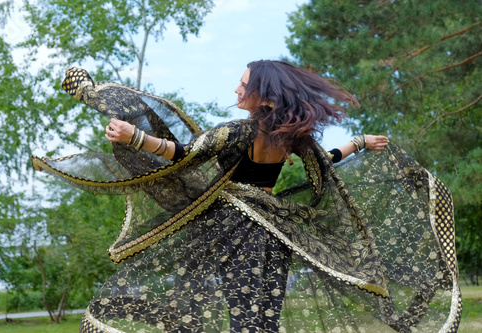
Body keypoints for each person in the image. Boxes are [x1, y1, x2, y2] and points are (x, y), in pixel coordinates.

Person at [32, 61, 461, 333]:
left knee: (241, 312)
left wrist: (137, 136)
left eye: (243, 86)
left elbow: (184, 154)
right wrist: (360, 143)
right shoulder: (289, 139)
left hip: (238, 226)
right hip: (273, 229)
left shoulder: (238, 132)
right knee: (261, 313)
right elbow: (326, 161)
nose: (237, 91)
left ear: (264, 97)